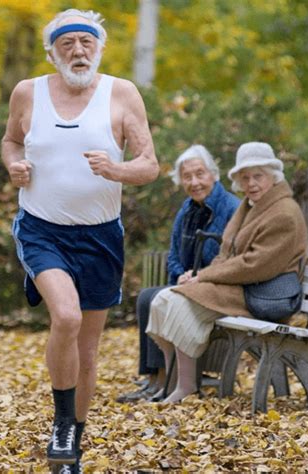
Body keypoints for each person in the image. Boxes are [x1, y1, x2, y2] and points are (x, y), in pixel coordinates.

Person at [1, 8, 159, 471]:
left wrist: (118, 170)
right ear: (53, 53)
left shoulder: (122, 93)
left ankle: (73, 443)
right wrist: (14, 165)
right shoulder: (28, 93)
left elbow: (149, 163)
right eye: (67, 43)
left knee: (88, 353)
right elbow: (11, 141)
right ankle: (61, 425)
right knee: (66, 317)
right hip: (41, 228)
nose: (78, 50)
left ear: (100, 48)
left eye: (86, 42)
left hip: (100, 235)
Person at [146, 141, 308, 403]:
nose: (251, 183)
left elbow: (254, 265)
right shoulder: (251, 205)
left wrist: (204, 277)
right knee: (162, 301)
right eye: (245, 177)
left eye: (258, 176)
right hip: (241, 286)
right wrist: (195, 276)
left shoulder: (284, 213)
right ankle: (176, 382)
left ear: (274, 176)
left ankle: (186, 387)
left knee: (175, 302)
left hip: (262, 293)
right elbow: (226, 252)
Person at [117, 145, 240, 403]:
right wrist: (181, 273)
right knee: (146, 297)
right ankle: (155, 378)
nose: (194, 182)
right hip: (189, 283)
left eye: (200, 174)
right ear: (180, 180)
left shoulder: (231, 208)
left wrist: (201, 274)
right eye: (187, 176)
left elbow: (232, 258)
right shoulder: (187, 210)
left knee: (154, 298)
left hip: (215, 286)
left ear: (213, 175)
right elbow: (173, 254)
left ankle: (165, 379)